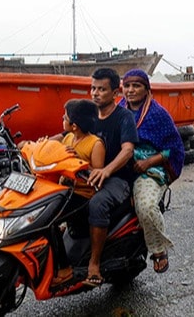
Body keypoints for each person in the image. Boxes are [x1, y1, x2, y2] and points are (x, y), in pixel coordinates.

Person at [119, 69, 184, 274]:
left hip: (150, 170)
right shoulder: (117, 110)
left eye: (136, 86)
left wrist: (148, 162)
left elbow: (173, 149)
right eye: (127, 86)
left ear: (147, 89)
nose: (130, 90)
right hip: (121, 165)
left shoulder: (158, 115)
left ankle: (158, 250)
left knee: (145, 206)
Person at [83, 68, 138, 287]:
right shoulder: (87, 114)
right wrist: (43, 142)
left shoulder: (124, 117)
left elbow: (128, 150)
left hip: (118, 179)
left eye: (101, 89)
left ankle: (94, 263)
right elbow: (70, 131)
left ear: (115, 93)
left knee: (97, 204)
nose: (95, 93)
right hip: (89, 175)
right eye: (93, 88)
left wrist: (107, 170)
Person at [52, 98, 106, 286]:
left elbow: (97, 174)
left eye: (65, 117)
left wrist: (81, 163)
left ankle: (64, 269)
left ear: (74, 125)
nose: (62, 118)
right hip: (65, 191)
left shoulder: (95, 144)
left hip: (82, 196)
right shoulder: (68, 138)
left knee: (49, 221)